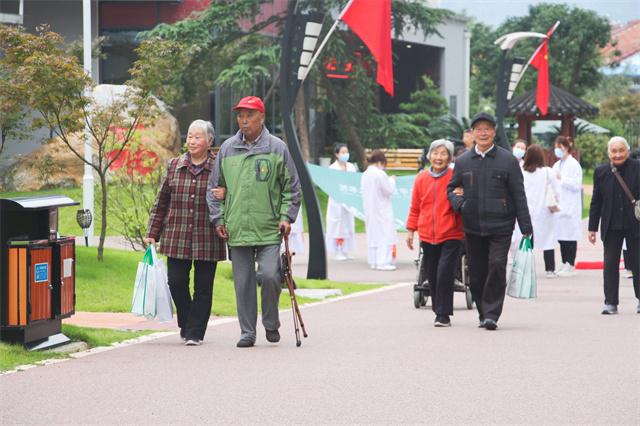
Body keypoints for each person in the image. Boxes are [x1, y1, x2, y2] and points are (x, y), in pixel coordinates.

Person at [207, 96, 301, 347]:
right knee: (243, 283)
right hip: (237, 227)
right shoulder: (227, 148)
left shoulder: (277, 147)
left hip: (269, 227)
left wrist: (286, 217)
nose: (243, 120)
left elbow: (291, 188)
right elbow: (215, 188)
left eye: (249, 115)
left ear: (262, 117)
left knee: (270, 275)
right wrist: (219, 219)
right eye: (240, 115)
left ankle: (271, 322)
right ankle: (247, 332)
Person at [447, 112, 533, 331]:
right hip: (473, 225)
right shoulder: (464, 160)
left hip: (501, 225)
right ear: (472, 133)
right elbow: (452, 188)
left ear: (494, 132)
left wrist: (526, 226)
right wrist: (460, 205)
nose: (483, 133)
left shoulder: (508, 160)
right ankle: (483, 311)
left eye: (487, 129)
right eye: (478, 129)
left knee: (496, 265)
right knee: (476, 272)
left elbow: (518, 194)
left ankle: (492, 314)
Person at [145, 120, 227, 346]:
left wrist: (225, 193)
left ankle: (195, 332)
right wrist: (153, 232)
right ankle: (188, 320)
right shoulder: (174, 165)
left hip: (207, 235)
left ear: (209, 141)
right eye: (189, 136)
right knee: (176, 282)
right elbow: (161, 202)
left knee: (203, 287)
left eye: (197, 137)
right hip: (177, 234)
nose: (191, 141)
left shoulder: (220, 167)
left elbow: (231, 197)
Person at [406, 139, 464, 327]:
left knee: (445, 272)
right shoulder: (421, 178)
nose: (439, 157)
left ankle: (443, 314)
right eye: (435, 153)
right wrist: (410, 230)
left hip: (451, 233)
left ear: (449, 157)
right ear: (429, 155)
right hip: (427, 234)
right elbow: (415, 207)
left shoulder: (455, 176)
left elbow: (462, 201)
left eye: (443, 153)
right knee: (431, 274)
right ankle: (438, 308)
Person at [588, 136, 639, 315]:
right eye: (614, 151)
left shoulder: (637, 168)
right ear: (608, 153)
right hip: (611, 225)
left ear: (627, 150)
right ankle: (610, 302)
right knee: (610, 264)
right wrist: (592, 228)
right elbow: (596, 201)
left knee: (637, 263)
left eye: (621, 150)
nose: (617, 154)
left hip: (635, 225)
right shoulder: (601, 172)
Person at [512, 144, 561, 277]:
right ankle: (549, 269)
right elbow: (558, 191)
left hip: (524, 211)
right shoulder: (548, 172)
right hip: (544, 212)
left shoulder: (519, 171)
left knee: (525, 238)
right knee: (547, 240)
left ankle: (524, 268)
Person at [552, 136, 583, 277]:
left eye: (561, 147)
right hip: (559, 206)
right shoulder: (556, 165)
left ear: (567, 147)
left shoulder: (574, 164)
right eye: (556, 147)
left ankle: (571, 264)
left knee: (570, 236)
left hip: (570, 206)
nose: (558, 150)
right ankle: (564, 262)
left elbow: (577, 185)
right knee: (561, 237)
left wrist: (562, 179)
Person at [361, 149, 397, 271]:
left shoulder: (365, 174)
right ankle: (383, 262)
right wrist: (392, 180)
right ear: (381, 162)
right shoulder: (380, 174)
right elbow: (389, 190)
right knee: (384, 235)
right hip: (382, 209)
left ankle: (374, 261)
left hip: (370, 209)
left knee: (373, 235)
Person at [325, 144, 356, 260]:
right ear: (337, 154)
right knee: (338, 226)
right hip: (336, 202)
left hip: (348, 201)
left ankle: (345, 250)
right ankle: (338, 249)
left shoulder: (351, 167)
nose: (345, 154)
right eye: (342, 152)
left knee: (348, 225)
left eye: (346, 152)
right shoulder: (332, 168)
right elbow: (330, 184)